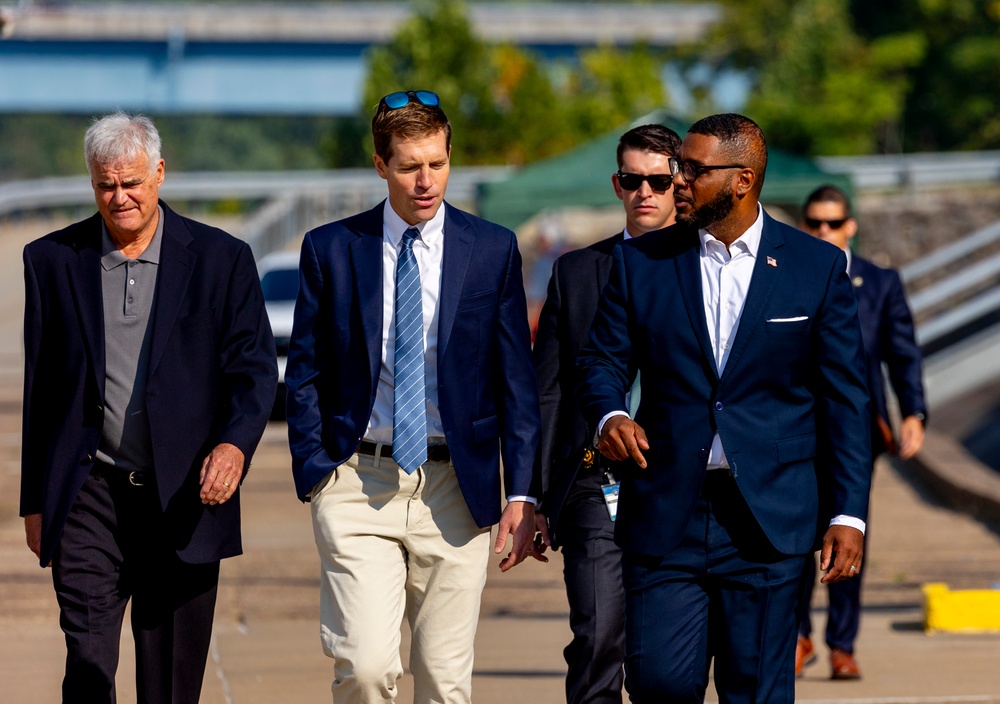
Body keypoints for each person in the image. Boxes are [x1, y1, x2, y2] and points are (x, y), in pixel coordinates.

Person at [577, 113, 873, 704]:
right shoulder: (642, 264)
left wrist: (849, 514)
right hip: (666, 515)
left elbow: (846, 399)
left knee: (757, 692)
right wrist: (610, 415)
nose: (676, 179)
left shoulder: (816, 269)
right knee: (660, 684)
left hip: (770, 519)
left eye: (692, 169)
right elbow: (602, 363)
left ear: (742, 180)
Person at [284, 90, 540, 704]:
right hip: (357, 481)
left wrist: (523, 490)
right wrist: (317, 471)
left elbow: (515, 381)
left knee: (444, 683)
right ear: (380, 165)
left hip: (457, 485)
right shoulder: (331, 248)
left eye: (437, 163)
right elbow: (305, 373)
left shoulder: (493, 249)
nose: (426, 181)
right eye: (409, 166)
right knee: (367, 669)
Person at [20, 111, 277, 704]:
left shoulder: (221, 260)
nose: (120, 197)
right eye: (106, 184)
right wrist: (36, 500)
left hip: (182, 498)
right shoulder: (52, 262)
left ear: (160, 174)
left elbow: (254, 370)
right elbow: (42, 388)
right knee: (87, 661)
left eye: (132, 182)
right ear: (91, 184)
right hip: (90, 494)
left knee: (167, 684)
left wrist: (234, 445)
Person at [532, 123, 681, 704]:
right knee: (597, 635)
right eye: (631, 180)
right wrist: (537, 496)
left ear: (679, 183)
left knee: (665, 658)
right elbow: (547, 390)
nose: (644, 192)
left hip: (683, 483)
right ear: (617, 185)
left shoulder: (707, 266)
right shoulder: (576, 272)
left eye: (658, 181)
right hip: (595, 480)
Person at [794, 184, 927, 680]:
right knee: (795, 534)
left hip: (856, 432)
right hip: (798, 429)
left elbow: (903, 352)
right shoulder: (790, 274)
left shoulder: (880, 281)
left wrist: (914, 413)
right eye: (814, 222)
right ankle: (800, 637)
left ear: (850, 225)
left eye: (832, 222)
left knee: (849, 530)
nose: (822, 230)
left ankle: (842, 644)